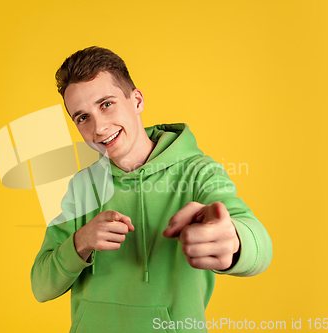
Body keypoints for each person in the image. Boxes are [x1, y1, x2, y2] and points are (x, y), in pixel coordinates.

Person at [31, 46, 273, 333]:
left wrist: (234, 242)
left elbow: (260, 247)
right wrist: (80, 241)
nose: (98, 127)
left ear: (136, 100)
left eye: (106, 104)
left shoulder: (199, 172)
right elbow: (41, 286)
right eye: (82, 117)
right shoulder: (83, 186)